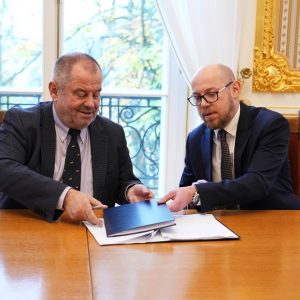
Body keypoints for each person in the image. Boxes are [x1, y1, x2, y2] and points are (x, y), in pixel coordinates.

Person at [0, 52, 154, 224]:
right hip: (31, 230)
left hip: (94, 232)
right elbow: (4, 169)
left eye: (96, 95)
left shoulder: (113, 132)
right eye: (81, 94)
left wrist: (130, 190)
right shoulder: (23, 122)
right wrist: (64, 196)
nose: (91, 104)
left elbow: (123, 181)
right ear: (54, 91)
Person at [158, 63, 300, 211]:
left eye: (212, 94)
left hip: (274, 220)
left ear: (235, 89)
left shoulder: (269, 125)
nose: (204, 104)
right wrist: (186, 197)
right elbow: (188, 192)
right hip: (218, 225)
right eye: (197, 97)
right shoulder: (195, 138)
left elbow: (257, 184)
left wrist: (199, 190)